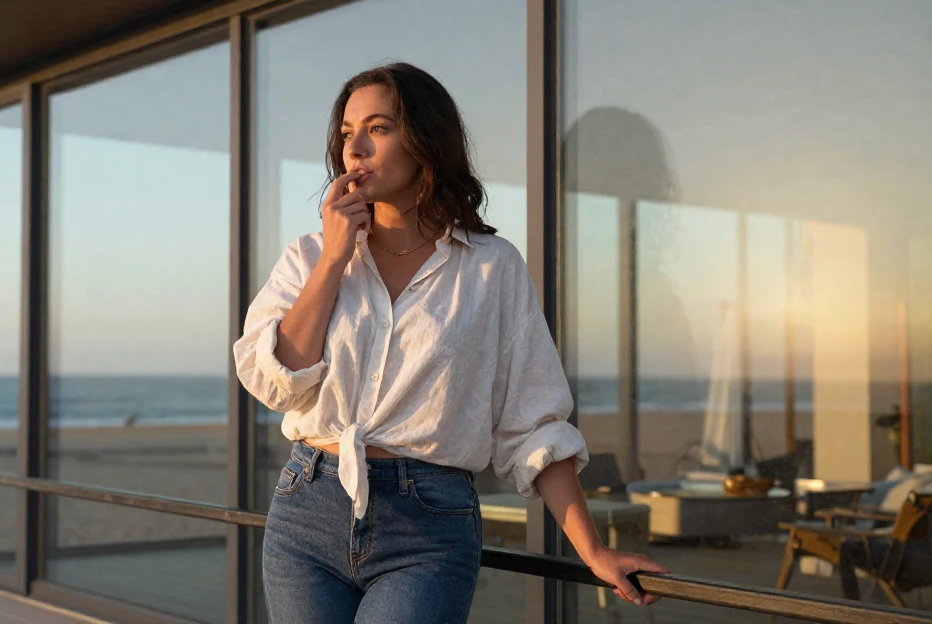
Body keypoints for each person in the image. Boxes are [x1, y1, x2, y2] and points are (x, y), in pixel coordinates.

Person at [233, 62, 667, 624]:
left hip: (428, 527)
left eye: (378, 128)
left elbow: (533, 420)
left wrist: (593, 550)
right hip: (307, 510)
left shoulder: (490, 267)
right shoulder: (309, 257)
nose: (355, 149)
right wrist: (335, 258)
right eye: (346, 133)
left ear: (425, 141)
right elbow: (276, 381)